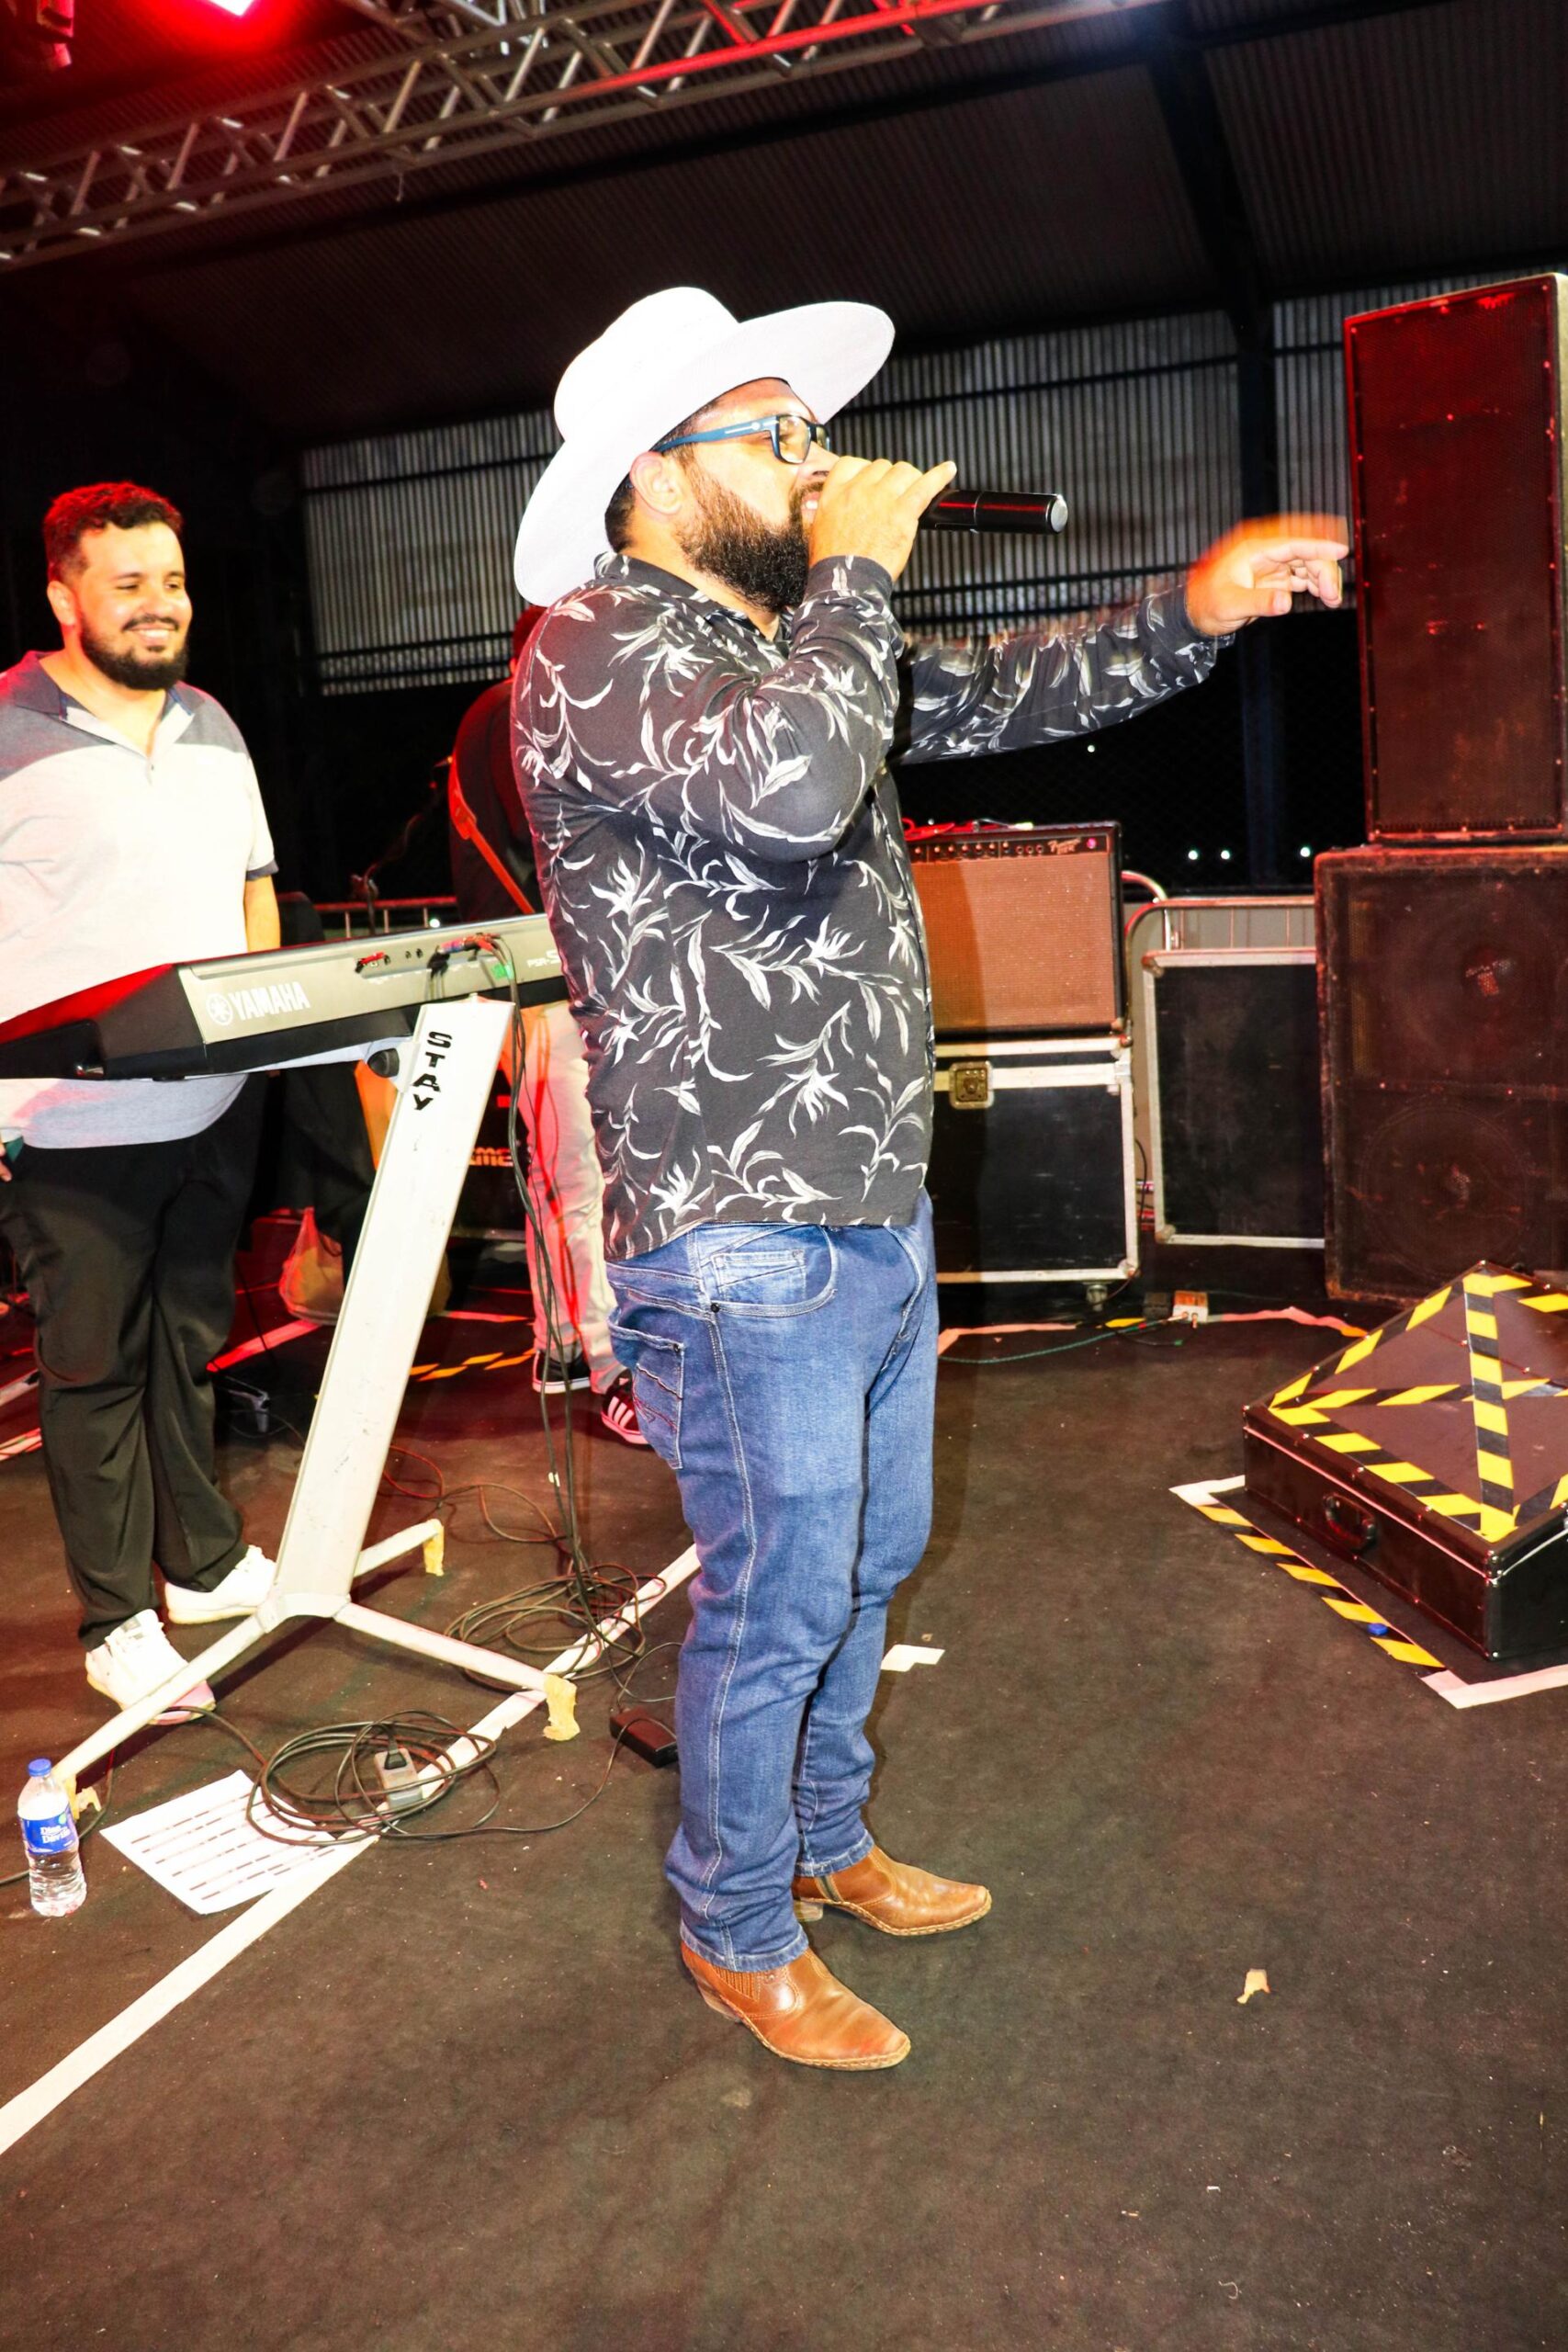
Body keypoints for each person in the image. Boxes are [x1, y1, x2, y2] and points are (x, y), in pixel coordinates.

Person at [511, 287, 1347, 2071]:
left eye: (808, 436)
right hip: (739, 1230)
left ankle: (824, 1843)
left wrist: (1193, 608)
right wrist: (857, 574)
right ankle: (736, 1929)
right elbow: (794, 789)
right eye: (775, 437)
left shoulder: (780, 636)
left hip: (868, 1204)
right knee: (779, 1591)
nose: (814, 464)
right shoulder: (591, 647)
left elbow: (992, 688)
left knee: (864, 1559)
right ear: (655, 474)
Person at [0, 482, 282, 1720]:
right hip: (67, 1121)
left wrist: (268, 1029)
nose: (159, 604)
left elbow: (256, 882)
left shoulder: (214, 724)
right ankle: (117, 1620)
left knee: (185, 1345)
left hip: (212, 1104)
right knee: (92, 1371)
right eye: (128, 585)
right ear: (64, 596)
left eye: (172, 581)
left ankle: (203, 1562)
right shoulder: (7, 727)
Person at [446, 611, 646, 1444]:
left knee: (556, 1174)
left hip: (526, 978)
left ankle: (561, 1342)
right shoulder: (514, 711)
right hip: (549, 980)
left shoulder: (493, 713)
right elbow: (564, 846)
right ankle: (613, 1366)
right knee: (583, 1180)